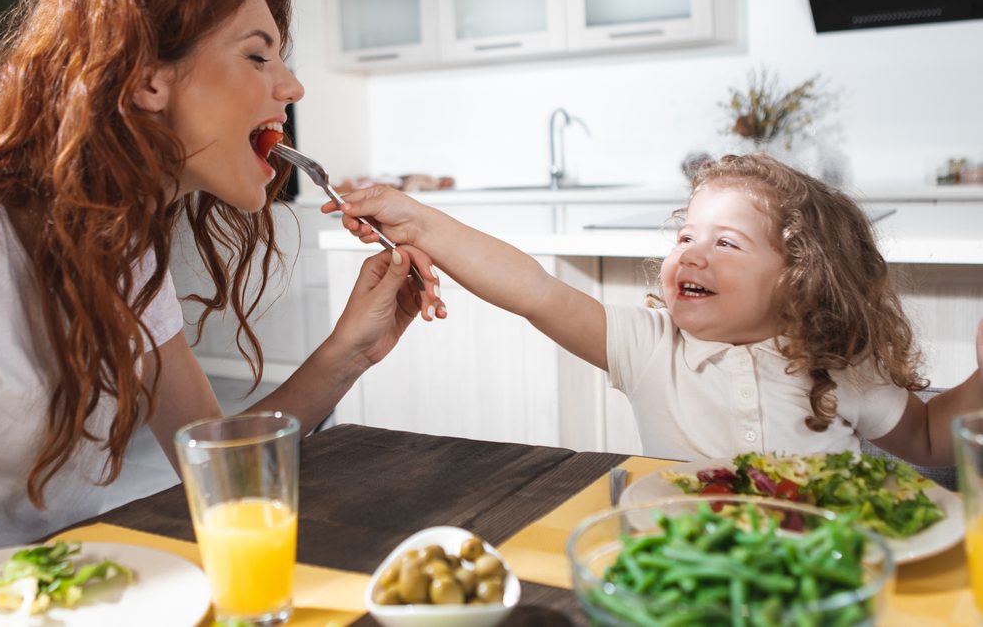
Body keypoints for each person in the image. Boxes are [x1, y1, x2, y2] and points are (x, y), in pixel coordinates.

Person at [0, 0, 443, 598]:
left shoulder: (116, 245)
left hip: (69, 595)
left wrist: (347, 352)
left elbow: (215, 462)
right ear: (149, 77)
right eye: (257, 56)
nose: (291, 86)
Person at [331, 153, 983, 465]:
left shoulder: (839, 365)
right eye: (685, 236)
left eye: (725, 243)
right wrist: (421, 223)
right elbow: (535, 290)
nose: (691, 255)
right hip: (681, 577)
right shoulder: (649, 346)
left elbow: (930, 439)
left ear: (801, 280)